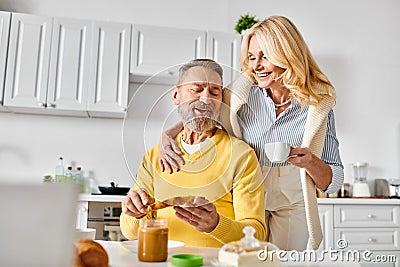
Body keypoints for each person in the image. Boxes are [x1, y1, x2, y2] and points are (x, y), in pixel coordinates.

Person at [158, 16, 344, 251]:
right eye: (252, 57)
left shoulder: (317, 107)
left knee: (281, 263)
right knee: (244, 259)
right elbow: (201, 116)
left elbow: (334, 181)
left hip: (292, 197)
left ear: (287, 55)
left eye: (265, 56)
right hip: (246, 193)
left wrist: (310, 162)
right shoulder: (240, 96)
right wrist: (167, 134)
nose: (256, 65)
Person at [120, 59, 266, 247]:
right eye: (196, 89)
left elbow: (256, 234)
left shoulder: (241, 155)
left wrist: (216, 225)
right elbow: (129, 232)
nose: (206, 99)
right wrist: (134, 213)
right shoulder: (154, 156)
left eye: (215, 92)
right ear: (176, 95)